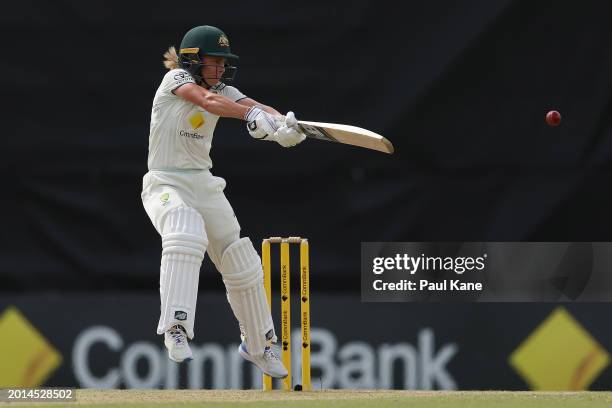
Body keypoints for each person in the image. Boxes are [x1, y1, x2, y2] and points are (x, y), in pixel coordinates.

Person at [141, 25, 305, 379]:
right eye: (214, 62)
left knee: (240, 257)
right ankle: (175, 327)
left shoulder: (224, 89)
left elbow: (257, 106)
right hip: (165, 181)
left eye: (223, 63)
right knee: (185, 231)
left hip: (203, 182)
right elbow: (209, 103)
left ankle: (259, 345)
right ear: (193, 60)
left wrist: (282, 126)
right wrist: (249, 116)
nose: (220, 70)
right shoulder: (175, 80)